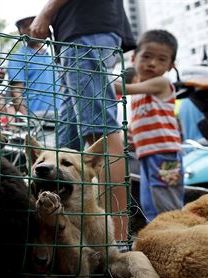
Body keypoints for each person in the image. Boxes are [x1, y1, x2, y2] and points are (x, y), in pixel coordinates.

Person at [30, 0, 136, 241]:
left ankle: (116, 241)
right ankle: (74, 244)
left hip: (86, 33)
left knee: (99, 134)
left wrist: (46, 11)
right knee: (68, 144)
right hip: (76, 36)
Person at [114, 30, 183, 222]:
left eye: (162, 59)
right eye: (146, 56)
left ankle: (173, 238)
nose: (152, 63)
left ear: (171, 66)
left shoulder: (161, 83)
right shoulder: (139, 94)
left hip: (164, 154)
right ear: (134, 58)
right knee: (149, 202)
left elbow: (123, 88)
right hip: (147, 154)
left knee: (166, 203)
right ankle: (159, 239)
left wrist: (97, 79)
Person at [7, 15, 61, 117]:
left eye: (32, 23)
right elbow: (16, 91)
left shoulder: (51, 56)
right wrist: (27, 119)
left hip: (60, 115)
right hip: (35, 116)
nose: (30, 28)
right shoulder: (18, 57)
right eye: (24, 26)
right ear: (20, 32)